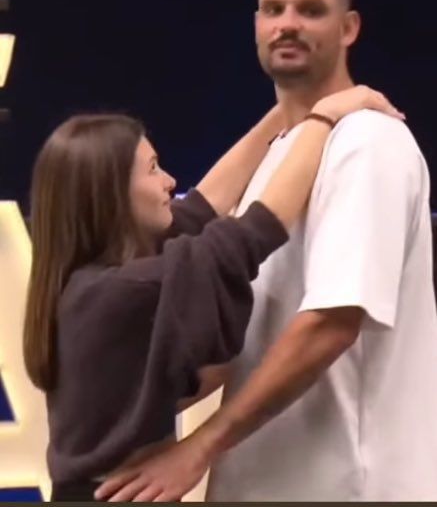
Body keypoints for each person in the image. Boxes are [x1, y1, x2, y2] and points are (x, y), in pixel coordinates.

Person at [95, 0, 437, 503]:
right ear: (256, 24)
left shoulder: (367, 142)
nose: (288, 24)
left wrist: (198, 448)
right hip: (262, 481)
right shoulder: (282, 154)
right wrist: (114, 412)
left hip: (345, 487)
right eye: (274, 10)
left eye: (310, 10)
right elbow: (246, 339)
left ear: (348, 28)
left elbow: (331, 322)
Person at [23, 86, 398, 501]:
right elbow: (256, 231)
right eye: (153, 169)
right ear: (111, 195)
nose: (170, 181)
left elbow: (203, 205)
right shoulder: (127, 291)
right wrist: (324, 118)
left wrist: (287, 110)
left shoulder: (83, 283)